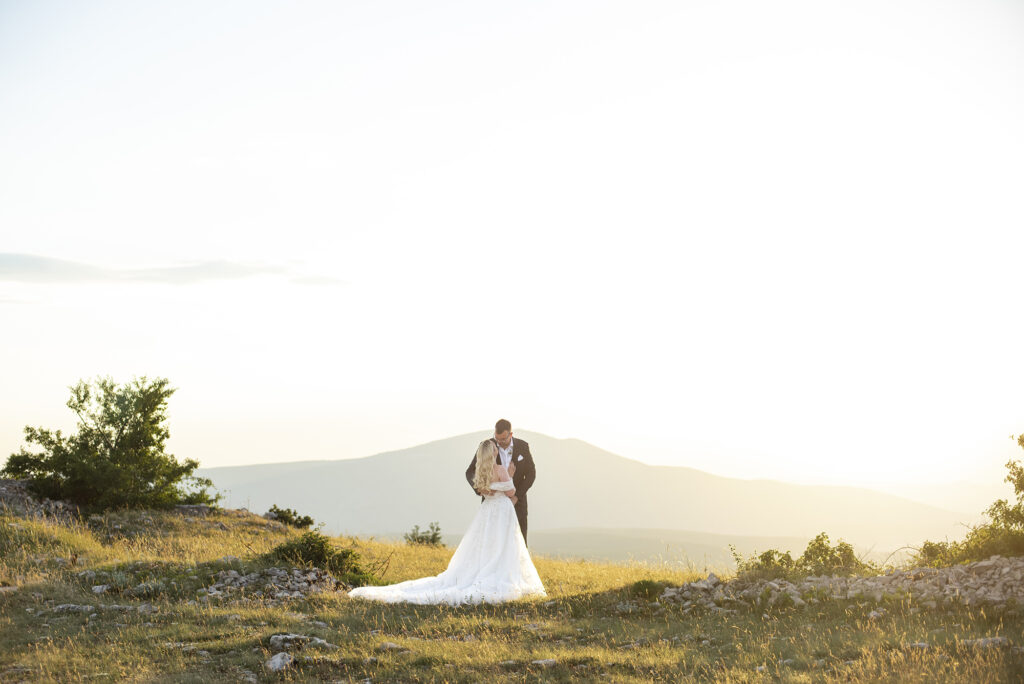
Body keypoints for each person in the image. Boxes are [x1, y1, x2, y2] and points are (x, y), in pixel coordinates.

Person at [347, 439, 545, 605]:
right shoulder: (501, 469)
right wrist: (509, 476)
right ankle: (501, 572)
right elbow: (510, 492)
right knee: (504, 544)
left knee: (485, 544)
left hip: (487, 511)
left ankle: (483, 570)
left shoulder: (481, 471)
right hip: (502, 511)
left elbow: (485, 489)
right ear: (493, 452)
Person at [465, 419, 536, 545]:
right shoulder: (487, 446)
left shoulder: (523, 446)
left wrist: (516, 497)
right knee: (491, 539)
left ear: (510, 434)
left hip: (517, 502)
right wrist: (480, 489)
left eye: (503, 439)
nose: (499, 442)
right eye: (497, 439)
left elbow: (531, 474)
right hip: (492, 503)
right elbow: (470, 472)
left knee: (518, 539)